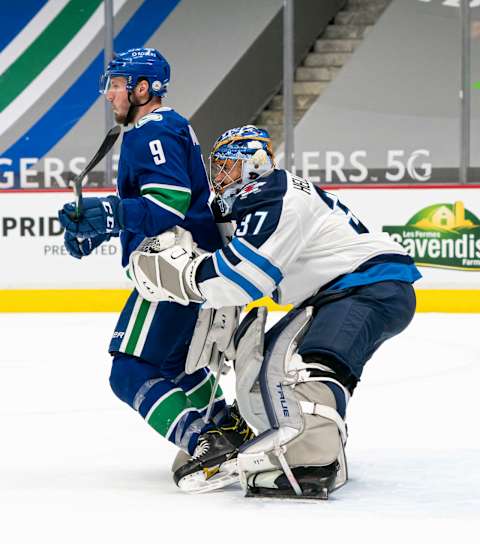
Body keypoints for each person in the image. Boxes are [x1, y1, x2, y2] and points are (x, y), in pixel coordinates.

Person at [127, 124, 422, 499]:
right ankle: (285, 435)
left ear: (255, 164)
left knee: (308, 367)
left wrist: (186, 275)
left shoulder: (274, 193)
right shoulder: (262, 197)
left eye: (228, 166)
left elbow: (245, 275)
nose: (220, 176)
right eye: (217, 166)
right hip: (346, 289)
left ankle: (311, 462)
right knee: (264, 363)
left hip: (367, 286)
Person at [58, 49, 253, 493]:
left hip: (173, 274)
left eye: (117, 84)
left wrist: (109, 214)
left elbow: (169, 204)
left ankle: (204, 442)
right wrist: (105, 227)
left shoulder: (154, 130)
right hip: (192, 268)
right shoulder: (168, 126)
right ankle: (230, 428)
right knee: (174, 366)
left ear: (142, 88)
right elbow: (158, 206)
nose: (110, 94)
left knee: (129, 371)